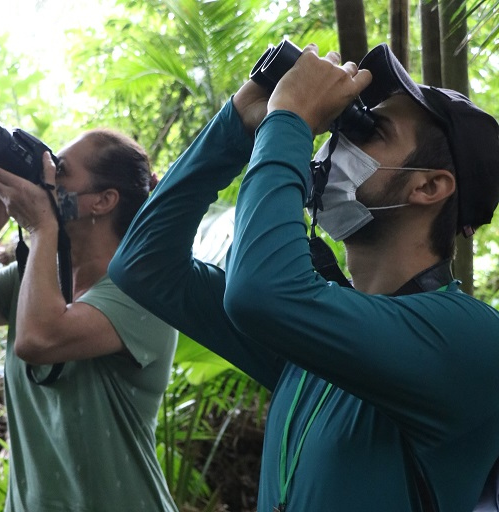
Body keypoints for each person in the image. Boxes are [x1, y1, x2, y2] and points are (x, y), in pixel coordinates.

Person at [108, 42, 499, 511]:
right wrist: (237, 124)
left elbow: (261, 293)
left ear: (429, 186)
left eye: (371, 130)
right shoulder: (320, 335)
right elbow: (143, 264)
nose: (339, 140)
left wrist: (289, 120)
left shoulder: (469, 337)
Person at [0, 128, 179, 512]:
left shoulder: (142, 293)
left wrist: (41, 229)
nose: (47, 178)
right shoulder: (38, 279)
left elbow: (38, 341)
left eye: (62, 171)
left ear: (103, 200)